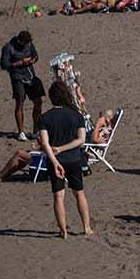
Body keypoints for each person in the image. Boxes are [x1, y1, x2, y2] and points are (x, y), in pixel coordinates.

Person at [35, 80, 94, 237]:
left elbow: (45, 143)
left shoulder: (45, 118)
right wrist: (64, 148)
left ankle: (63, 231)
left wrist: (55, 159)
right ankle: (87, 227)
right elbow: (81, 140)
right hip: (74, 158)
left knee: (58, 196)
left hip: (56, 160)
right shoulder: (76, 116)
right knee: (79, 193)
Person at [0, 30, 43, 140]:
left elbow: (36, 56)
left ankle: (36, 130)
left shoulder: (30, 45)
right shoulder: (9, 47)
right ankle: (21, 132)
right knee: (20, 102)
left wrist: (32, 60)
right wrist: (19, 63)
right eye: (26, 44)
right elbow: (4, 65)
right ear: (20, 42)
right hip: (17, 78)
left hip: (30, 76)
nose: (28, 45)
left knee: (38, 101)